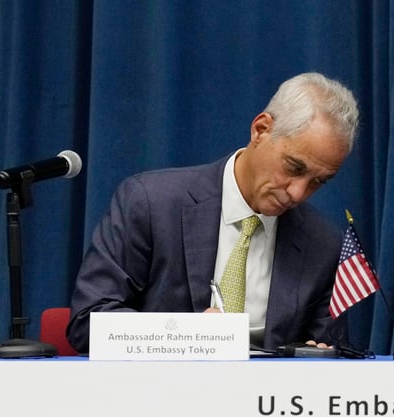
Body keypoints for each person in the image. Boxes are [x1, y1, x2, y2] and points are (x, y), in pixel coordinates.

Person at [66, 72, 359, 354]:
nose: (298, 193)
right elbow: (89, 321)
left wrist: (318, 357)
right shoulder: (151, 204)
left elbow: (328, 354)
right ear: (261, 130)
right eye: (294, 167)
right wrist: (190, 337)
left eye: (318, 182)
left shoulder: (323, 244)